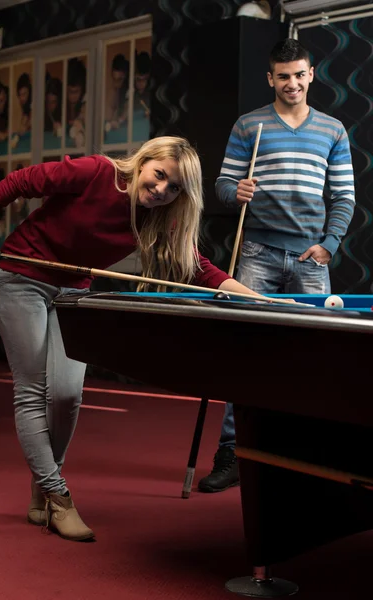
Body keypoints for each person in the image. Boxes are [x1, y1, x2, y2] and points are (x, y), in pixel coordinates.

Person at [0, 136, 265, 542]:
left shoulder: (160, 217)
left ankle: (43, 484)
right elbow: (20, 182)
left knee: (66, 395)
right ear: (144, 162)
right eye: (160, 174)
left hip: (73, 290)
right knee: (32, 389)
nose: (162, 189)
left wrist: (258, 298)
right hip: (22, 279)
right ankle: (58, 497)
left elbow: (199, 268)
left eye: (175, 187)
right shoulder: (96, 172)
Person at [198, 38, 355, 494]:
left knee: (314, 356)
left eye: (298, 74)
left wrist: (329, 244)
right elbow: (223, 184)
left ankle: (307, 456)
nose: (291, 82)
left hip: (311, 258)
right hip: (258, 254)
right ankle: (232, 452)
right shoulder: (250, 125)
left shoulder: (333, 130)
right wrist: (235, 192)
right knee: (245, 354)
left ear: (311, 75)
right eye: (282, 76)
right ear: (271, 78)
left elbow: (343, 196)